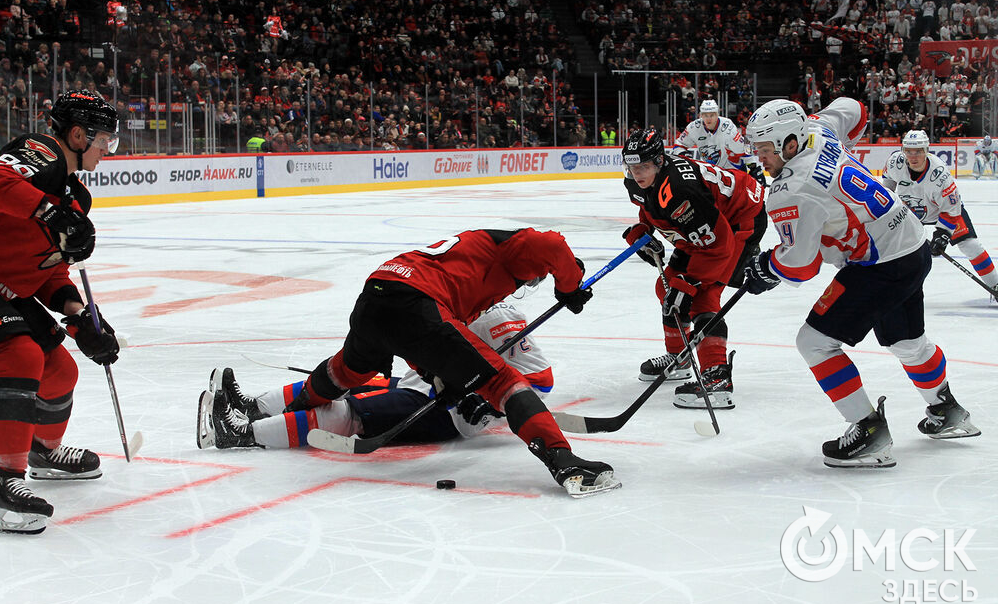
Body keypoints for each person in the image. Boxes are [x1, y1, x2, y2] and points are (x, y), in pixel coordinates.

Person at [195, 228, 617, 496]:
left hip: (379, 291)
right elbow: (553, 244)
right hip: (417, 305)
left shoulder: (470, 259)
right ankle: (564, 461)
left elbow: (437, 344)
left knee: (346, 371)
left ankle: (251, 410)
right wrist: (569, 285)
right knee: (505, 384)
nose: (528, 284)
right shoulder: (510, 249)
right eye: (534, 278)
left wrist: (444, 375)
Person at [743, 98, 980, 469]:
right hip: (912, 245)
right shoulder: (818, 130)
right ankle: (947, 409)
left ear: (790, 142)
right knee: (907, 342)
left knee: (814, 342)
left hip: (879, 264)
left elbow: (801, 266)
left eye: (764, 149)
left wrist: (765, 267)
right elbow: (855, 108)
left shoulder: (791, 189)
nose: (760, 158)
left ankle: (868, 431)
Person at [0, 91, 122, 535]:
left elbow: (50, 270)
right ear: (76, 135)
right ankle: (2, 479)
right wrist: (51, 213)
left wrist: (78, 316)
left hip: (9, 290)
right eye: (105, 140)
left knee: (60, 370)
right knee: (20, 354)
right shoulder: (42, 153)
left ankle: (41, 451)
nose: (108, 150)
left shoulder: (75, 196)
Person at [198, 301, 552, 449]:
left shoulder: (497, 317)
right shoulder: (456, 298)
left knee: (355, 414)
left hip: (449, 410)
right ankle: (252, 407)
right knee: (347, 383)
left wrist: (492, 405)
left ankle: (242, 435)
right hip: (429, 383)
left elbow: (540, 380)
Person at [621, 128, 767, 409]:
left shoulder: (680, 191)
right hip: (707, 221)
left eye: (644, 166)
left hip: (738, 218)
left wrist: (689, 284)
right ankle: (680, 358)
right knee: (667, 288)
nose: (637, 173)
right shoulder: (639, 181)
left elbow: (718, 245)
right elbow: (649, 205)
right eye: (632, 166)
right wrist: (643, 229)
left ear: (660, 162)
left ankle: (717, 378)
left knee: (703, 296)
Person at [883, 130, 997, 296]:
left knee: (970, 245)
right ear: (903, 150)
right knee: (893, 246)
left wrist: (942, 235)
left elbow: (952, 208)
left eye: (919, 151)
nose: (913, 156)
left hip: (941, 210)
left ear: (927, 150)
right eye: (908, 151)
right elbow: (887, 185)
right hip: (910, 211)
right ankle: (891, 285)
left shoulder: (940, 175)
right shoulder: (895, 162)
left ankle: (995, 285)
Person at [672, 99, 752, 170]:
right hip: (709, 173)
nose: (709, 119)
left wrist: (753, 164)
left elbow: (745, 145)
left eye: (712, 115)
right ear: (701, 116)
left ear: (717, 115)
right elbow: (678, 145)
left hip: (731, 170)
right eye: (705, 115)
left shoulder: (728, 126)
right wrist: (682, 153)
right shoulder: (693, 127)